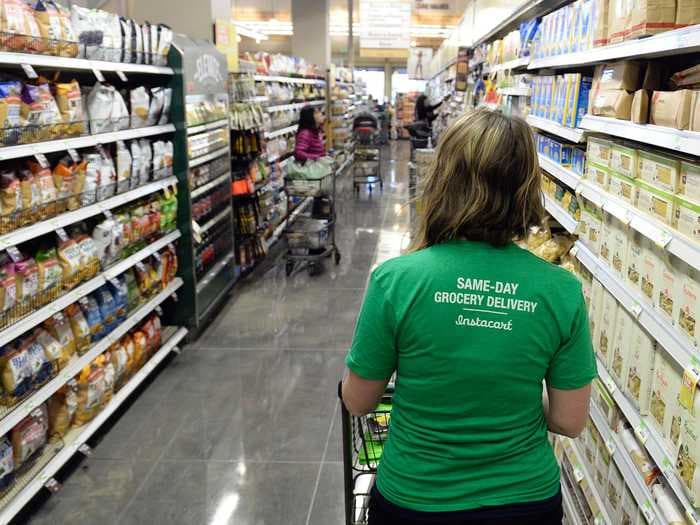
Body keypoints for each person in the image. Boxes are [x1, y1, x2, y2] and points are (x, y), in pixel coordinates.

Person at [342, 109, 596, 525]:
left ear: (444, 181)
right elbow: (570, 420)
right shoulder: (561, 291)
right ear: (527, 188)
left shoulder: (397, 280)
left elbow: (357, 400)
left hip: (416, 499)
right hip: (525, 502)